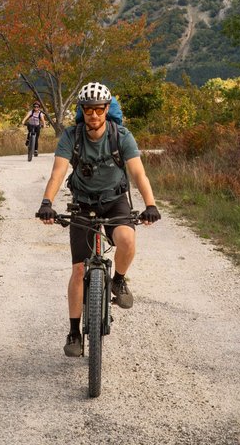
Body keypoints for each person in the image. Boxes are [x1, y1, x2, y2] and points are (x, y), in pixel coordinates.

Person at [36, 81, 161, 357]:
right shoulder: (72, 136)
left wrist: (150, 204)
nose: (94, 115)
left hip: (115, 200)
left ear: (107, 110)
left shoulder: (122, 136)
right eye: (88, 110)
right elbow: (58, 172)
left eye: (99, 109)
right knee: (79, 269)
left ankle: (118, 280)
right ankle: (73, 332)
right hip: (83, 203)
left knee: (127, 239)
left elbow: (139, 174)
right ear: (82, 111)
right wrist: (46, 202)